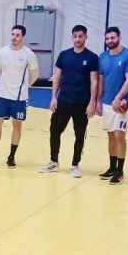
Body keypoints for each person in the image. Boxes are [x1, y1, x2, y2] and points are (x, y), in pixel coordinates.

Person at [39, 25, 99, 178]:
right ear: (72, 37)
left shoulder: (92, 57)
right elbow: (57, 77)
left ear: (85, 37)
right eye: (75, 36)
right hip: (63, 101)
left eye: (80, 36)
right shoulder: (64, 55)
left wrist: (92, 102)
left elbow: (94, 81)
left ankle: (75, 164)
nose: (77, 39)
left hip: (82, 103)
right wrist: (53, 97)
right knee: (54, 131)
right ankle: (54, 161)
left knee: (79, 134)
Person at [0, 25, 38, 168]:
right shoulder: (2, 52)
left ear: (23, 37)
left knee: (17, 126)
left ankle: (11, 157)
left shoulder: (28, 54)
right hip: (2, 95)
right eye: (13, 34)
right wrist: (5, 85)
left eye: (17, 35)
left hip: (19, 98)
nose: (14, 37)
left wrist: (24, 86)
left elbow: (34, 74)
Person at [96, 26, 128, 184]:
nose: (110, 41)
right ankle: (112, 167)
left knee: (120, 135)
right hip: (107, 102)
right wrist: (98, 100)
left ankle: (120, 171)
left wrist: (118, 98)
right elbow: (101, 80)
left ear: (119, 37)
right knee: (111, 135)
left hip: (123, 102)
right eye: (107, 38)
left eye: (112, 38)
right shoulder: (103, 57)